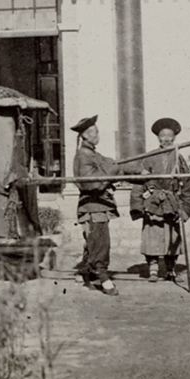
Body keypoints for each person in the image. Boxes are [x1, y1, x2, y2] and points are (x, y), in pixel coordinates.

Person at [130, 118, 190, 283]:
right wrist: (138, 205)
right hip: (153, 203)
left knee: (172, 236)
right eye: (162, 136)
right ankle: (152, 269)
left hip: (171, 203)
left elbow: (188, 185)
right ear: (157, 138)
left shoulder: (178, 158)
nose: (166, 139)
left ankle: (170, 269)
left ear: (174, 138)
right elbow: (140, 182)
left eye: (169, 136)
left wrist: (185, 209)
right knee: (152, 235)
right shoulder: (149, 157)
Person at [71, 115, 122, 295]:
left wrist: (140, 170)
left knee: (93, 242)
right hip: (93, 207)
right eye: (93, 132)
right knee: (100, 242)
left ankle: (85, 273)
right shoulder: (83, 156)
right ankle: (103, 278)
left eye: (97, 131)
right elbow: (91, 184)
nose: (97, 135)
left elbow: (111, 165)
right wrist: (112, 169)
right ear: (84, 135)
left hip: (99, 206)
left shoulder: (93, 153)